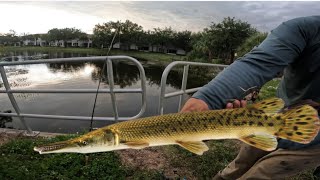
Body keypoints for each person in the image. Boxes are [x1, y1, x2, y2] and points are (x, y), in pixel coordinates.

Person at [180, 16, 320, 179]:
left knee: (263, 173)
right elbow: (257, 64)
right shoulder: (305, 28)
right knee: (242, 161)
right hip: (280, 111)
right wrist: (208, 100)